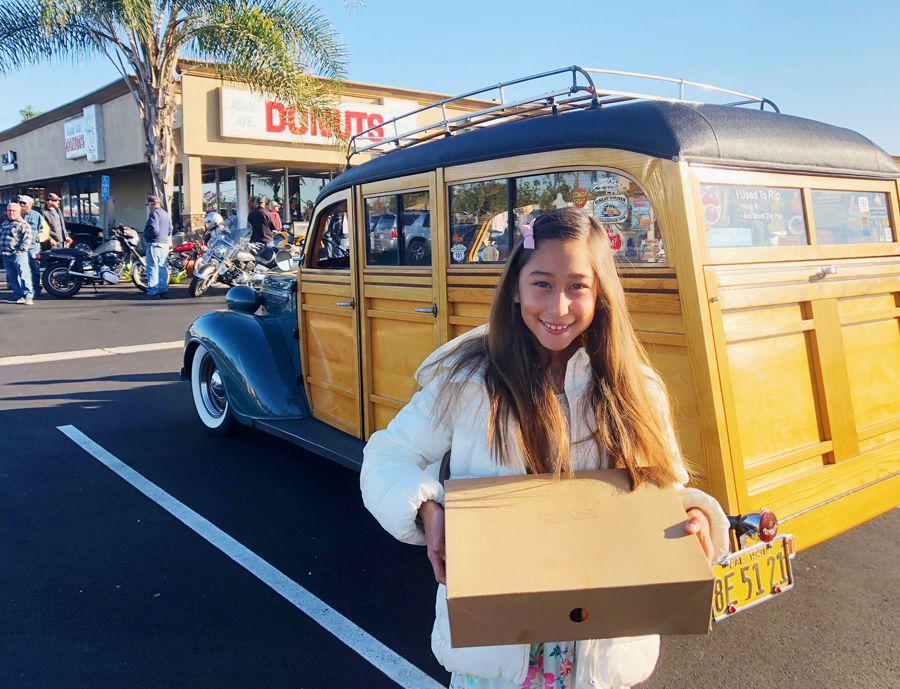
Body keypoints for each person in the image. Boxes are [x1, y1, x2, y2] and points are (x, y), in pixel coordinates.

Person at [360, 208, 730, 689]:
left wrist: (694, 517)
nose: (558, 307)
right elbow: (387, 456)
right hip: (497, 657)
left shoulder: (635, 388)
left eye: (577, 286)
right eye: (542, 284)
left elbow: (660, 488)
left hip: (601, 657)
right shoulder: (468, 380)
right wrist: (428, 508)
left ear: (600, 295)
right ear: (515, 288)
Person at [1, 201, 34, 305]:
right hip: (6, 255)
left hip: (18, 255)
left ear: (19, 212)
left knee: (24, 275)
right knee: (12, 277)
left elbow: (27, 239)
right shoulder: (4, 224)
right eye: (9, 211)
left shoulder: (23, 224)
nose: (11, 213)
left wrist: (20, 251)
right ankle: (17, 296)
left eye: (14, 211)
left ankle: (28, 296)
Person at [142, 195, 172, 300]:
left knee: (152, 268)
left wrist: (145, 235)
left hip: (154, 244)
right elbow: (169, 230)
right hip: (164, 244)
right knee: (162, 267)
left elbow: (154, 229)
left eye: (148, 205)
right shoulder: (165, 214)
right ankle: (163, 290)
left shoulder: (154, 213)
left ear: (151, 204)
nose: (148, 207)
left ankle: (153, 291)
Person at [18, 195, 43, 298]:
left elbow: (43, 230)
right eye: (20, 203)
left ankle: (36, 289)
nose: (22, 205)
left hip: (33, 247)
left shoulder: (37, 216)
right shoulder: (17, 216)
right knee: (21, 269)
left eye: (24, 203)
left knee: (35, 269)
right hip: (19, 247)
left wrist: (39, 238)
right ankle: (22, 292)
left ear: (30, 204)